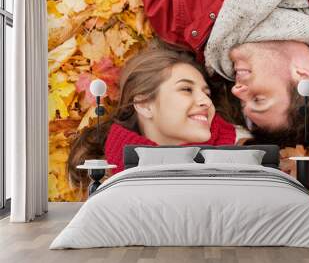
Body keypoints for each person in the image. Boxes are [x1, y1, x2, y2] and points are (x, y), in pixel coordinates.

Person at [134, 0, 309, 147]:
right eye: (258, 99)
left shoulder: (175, 19)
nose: (237, 90)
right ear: (303, 76)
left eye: (242, 103)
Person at [67, 48, 242, 187]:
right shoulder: (105, 178)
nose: (206, 101)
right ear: (144, 105)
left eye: (206, 93)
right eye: (186, 89)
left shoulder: (242, 151)